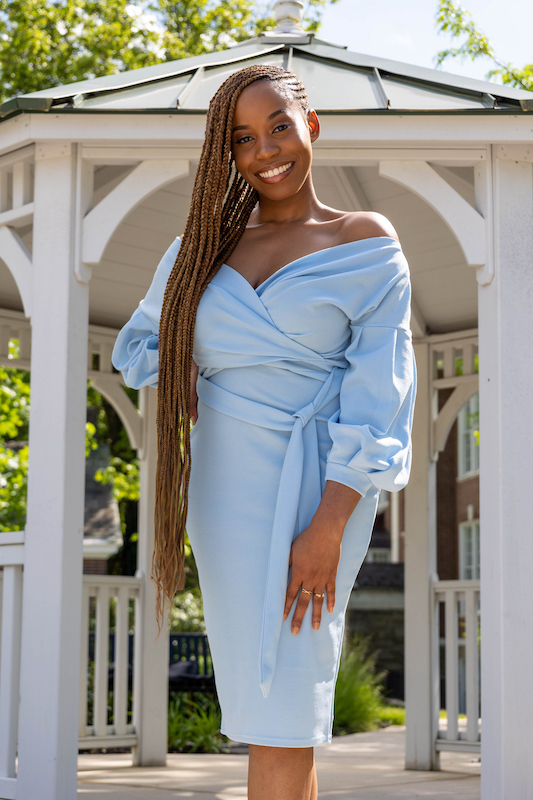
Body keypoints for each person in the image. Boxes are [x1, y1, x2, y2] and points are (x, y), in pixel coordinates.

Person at [112, 64, 416, 800]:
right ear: (229, 155)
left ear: (310, 127)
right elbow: (138, 346)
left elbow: (380, 399)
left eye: (280, 125)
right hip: (226, 491)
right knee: (270, 709)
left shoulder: (365, 241)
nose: (265, 149)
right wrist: (181, 368)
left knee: (285, 699)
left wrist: (328, 528)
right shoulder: (199, 249)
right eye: (243, 139)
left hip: (321, 490)